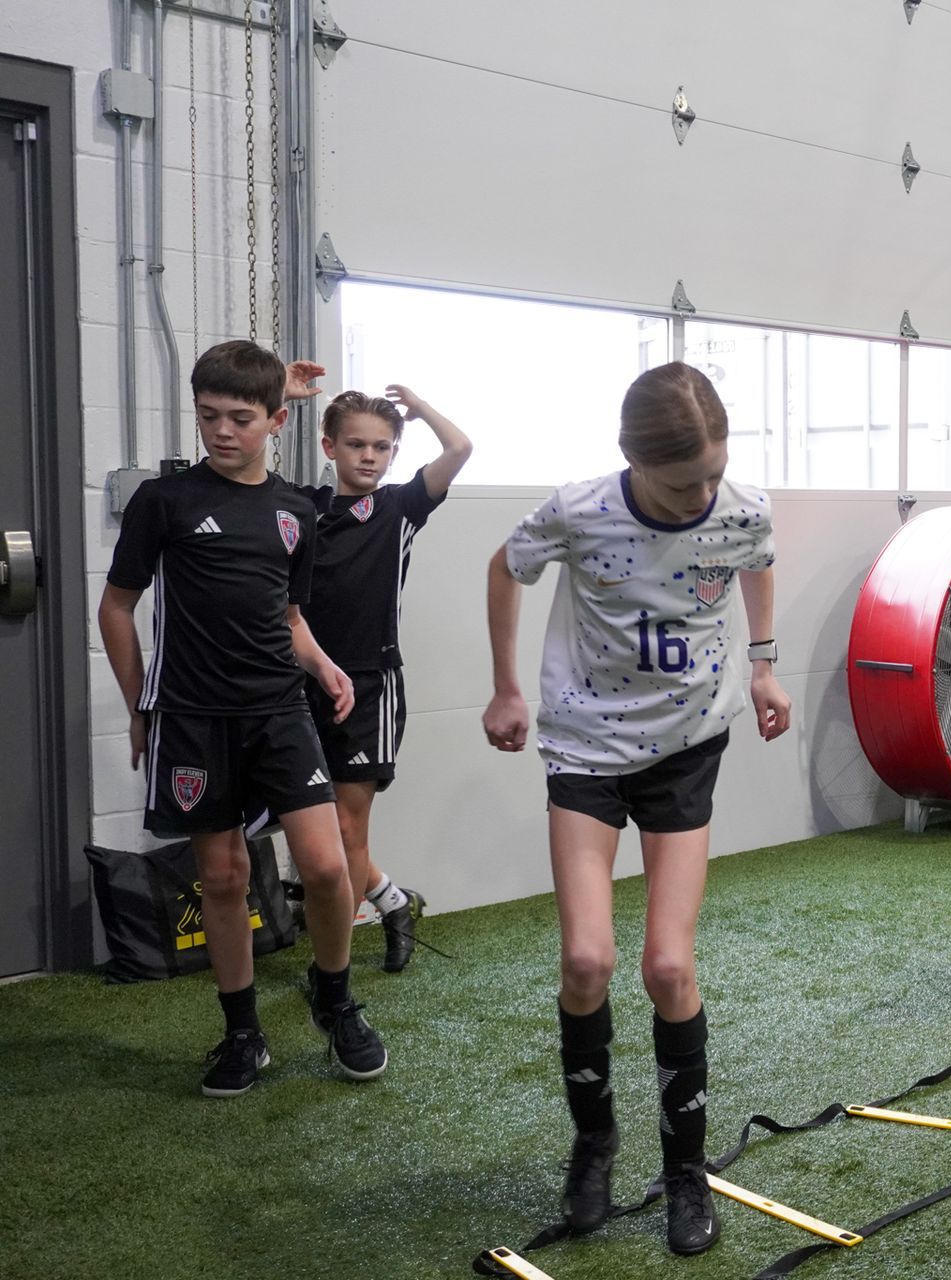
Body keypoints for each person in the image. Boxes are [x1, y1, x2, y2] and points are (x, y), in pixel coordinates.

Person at [482, 362, 790, 1256]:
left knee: (667, 967)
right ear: (633, 459)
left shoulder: (741, 507)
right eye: (682, 481)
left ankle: (687, 1172)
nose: (703, 494)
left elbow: (756, 566)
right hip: (585, 747)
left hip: (687, 745)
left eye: (712, 474)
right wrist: (506, 687)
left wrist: (764, 664)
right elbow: (505, 568)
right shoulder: (579, 510)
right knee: (586, 958)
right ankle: (594, 1144)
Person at [97, 339, 387, 1097]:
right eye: (207, 416)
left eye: (239, 418)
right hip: (193, 718)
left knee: (326, 867)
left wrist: (322, 666)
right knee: (222, 879)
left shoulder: (295, 508)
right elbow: (116, 608)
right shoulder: (164, 503)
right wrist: (139, 709)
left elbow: (289, 614)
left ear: (275, 420)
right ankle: (242, 1033)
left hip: (279, 712)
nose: (221, 432)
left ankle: (335, 998)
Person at [295, 377, 472, 972]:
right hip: (301, 684)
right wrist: (283, 403)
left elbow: (459, 450)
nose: (368, 456)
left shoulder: (400, 506)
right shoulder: (303, 508)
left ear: (394, 451)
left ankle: (332, 976)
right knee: (315, 828)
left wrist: (420, 408)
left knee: (347, 824)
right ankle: (394, 903)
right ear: (330, 448)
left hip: (370, 686)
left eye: (381, 446)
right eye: (355, 445)